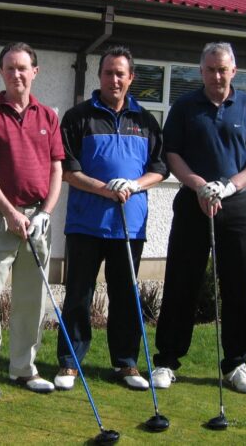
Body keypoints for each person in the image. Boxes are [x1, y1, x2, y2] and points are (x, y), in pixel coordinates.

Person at [151, 42, 246, 394]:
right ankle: (167, 360)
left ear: (233, 70)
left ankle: (236, 363)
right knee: (181, 282)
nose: (217, 75)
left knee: (238, 285)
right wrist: (199, 185)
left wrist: (230, 187)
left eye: (223, 69)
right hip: (193, 202)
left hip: (235, 205)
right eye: (210, 69)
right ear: (201, 71)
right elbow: (171, 153)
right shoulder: (186, 106)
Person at [55, 45, 167, 391]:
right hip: (85, 224)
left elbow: (159, 169)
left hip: (129, 225)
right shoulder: (78, 117)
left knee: (125, 295)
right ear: (99, 76)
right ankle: (70, 363)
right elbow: (68, 170)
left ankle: (126, 363)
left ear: (131, 78)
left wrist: (134, 185)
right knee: (78, 294)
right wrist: (106, 189)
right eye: (108, 73)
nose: (114, 79)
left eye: (120, 73)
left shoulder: (145, 121)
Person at [0, 42, 65, 398]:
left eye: (23, 68)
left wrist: (45, 213)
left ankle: (24, 367)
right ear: (1, 73)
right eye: (10, 68)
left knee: (32, 297)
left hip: (38, 217)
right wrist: (9, 212)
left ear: (34, 72)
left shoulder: (48, 116)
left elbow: (57, 169)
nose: (16, 74)